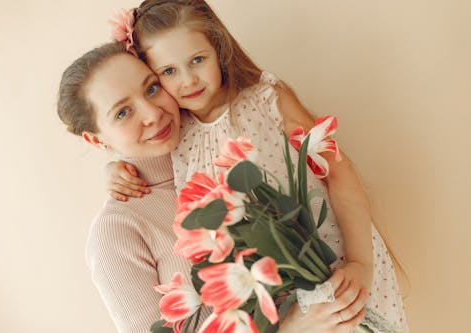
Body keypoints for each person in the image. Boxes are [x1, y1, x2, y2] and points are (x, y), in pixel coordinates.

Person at [105, 1, 409, 332]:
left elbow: (337, 170)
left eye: (197, 60)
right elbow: (139, 149)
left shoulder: (265, 99)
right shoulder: (179, 132)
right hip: (276, 298)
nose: (188, 80)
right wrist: (112, 169)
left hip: (339, 265)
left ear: (218, 49)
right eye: (168, 71)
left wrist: (361, 263)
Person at [57, 42, 369, 333]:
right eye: (123, 112)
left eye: (152, 88)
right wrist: (290, 327)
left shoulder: (229, 139)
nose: (153, 114)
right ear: (97, 139)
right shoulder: (117, 231)